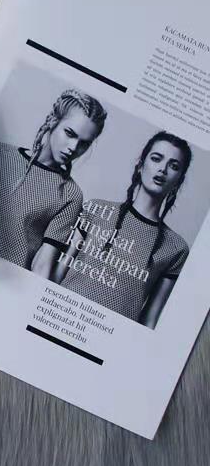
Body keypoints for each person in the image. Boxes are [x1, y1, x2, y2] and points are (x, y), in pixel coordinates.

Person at [58, 131, 191, 328]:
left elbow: (149, 321)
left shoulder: (176, 248)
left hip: (112, 337)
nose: (162, 169)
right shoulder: (96, 210)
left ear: (179, 179)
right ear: (141, 165)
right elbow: (57, 276)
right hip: (62, 319)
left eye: (174, 166)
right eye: (156, 159)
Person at [0, 88, 107, 275]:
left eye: (84, 143)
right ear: (53, 121)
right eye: (70, 133)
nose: (73, 147)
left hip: (9, 279)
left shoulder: (70, 194)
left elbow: (43, 264)